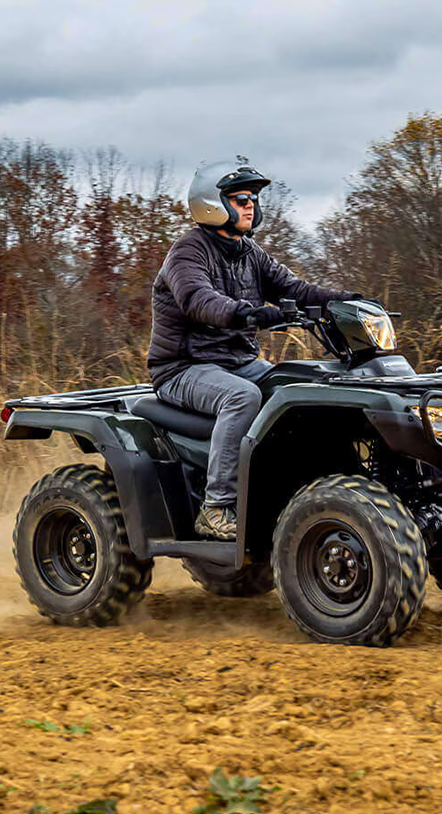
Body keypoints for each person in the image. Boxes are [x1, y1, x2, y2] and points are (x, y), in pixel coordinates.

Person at [148, 158, 362, 541]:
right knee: (242, 398)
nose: (250, 205)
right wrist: (248, 314)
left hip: (238, 362)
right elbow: (200, 300)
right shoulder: (187, 252)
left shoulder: (250, 253)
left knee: (307, 385)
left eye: (253, 199)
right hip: (183, 369)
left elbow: (297, 290)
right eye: (240, 197)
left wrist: (348, 301)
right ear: (212, 203)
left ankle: (299, 490)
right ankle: (215, 507)